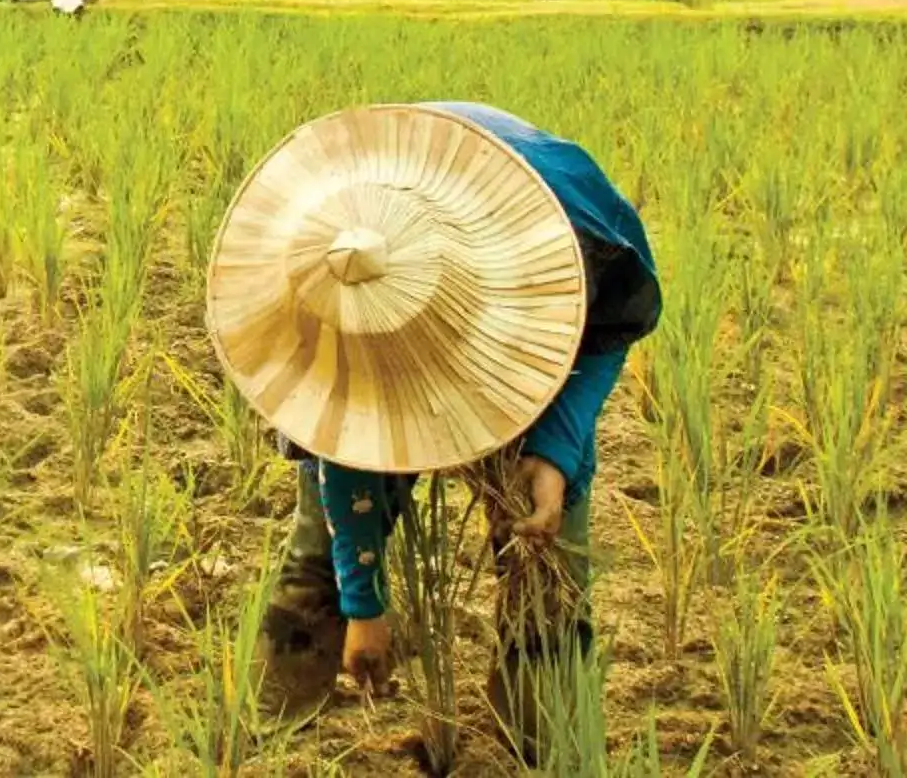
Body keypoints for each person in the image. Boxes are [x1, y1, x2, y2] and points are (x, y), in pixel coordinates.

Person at [204, 99, 660, 763]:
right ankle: (267, 740)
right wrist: (364, 606)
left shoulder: (576, 236)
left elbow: (610, 329)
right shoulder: (315, 267)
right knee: (320, 549)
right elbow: (344, 457)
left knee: (545, 558)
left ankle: (545, 748)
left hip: (518, 309)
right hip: (370, 276)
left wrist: (556, 452)